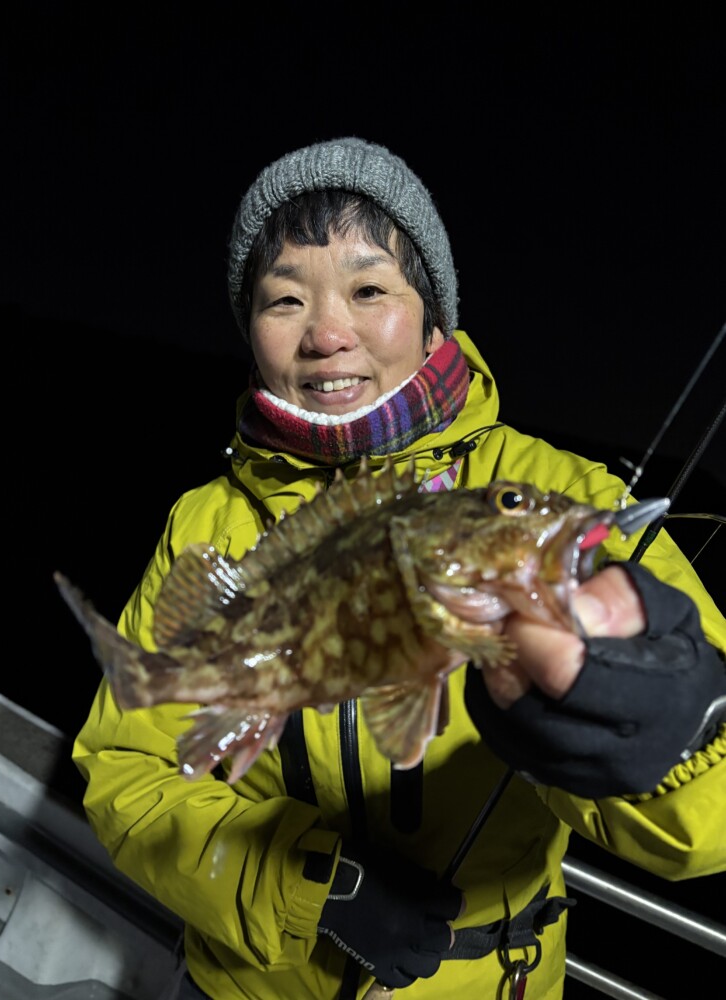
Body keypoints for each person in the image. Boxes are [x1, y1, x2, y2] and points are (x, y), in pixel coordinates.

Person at [72, 137, 726, 1000]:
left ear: (433, 315)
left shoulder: (558, 497)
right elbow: (128, 775)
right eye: (284, 300)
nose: (327, 334)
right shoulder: (208, 525)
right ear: (251, 331)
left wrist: (670, 733)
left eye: (369, 288)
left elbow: (708, 826)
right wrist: (307, 887)